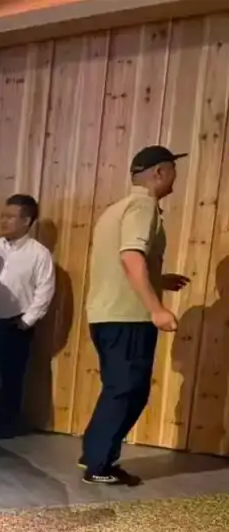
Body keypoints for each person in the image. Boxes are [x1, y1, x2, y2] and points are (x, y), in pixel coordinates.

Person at [80, 146, 188, 486]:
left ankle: (95, 452)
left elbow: (122, 260)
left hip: (107, 314)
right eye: (173, 170)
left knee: (122, 388)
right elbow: (130, 257)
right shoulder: (143, 206)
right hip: (128, 316)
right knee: (127, 390)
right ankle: (99, 464)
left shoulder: (117, 209)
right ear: (159, 172)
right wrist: (156, 309)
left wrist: (159, 280)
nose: (175, 177)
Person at [0, 195, 56, 437]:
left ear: (27, 221)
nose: (4, 221)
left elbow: (45, 290)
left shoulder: (39, 254)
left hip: (15, 325)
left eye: (10, 217)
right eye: (3, 216)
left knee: (12, 378)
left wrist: (27, 321)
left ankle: (6, 427)